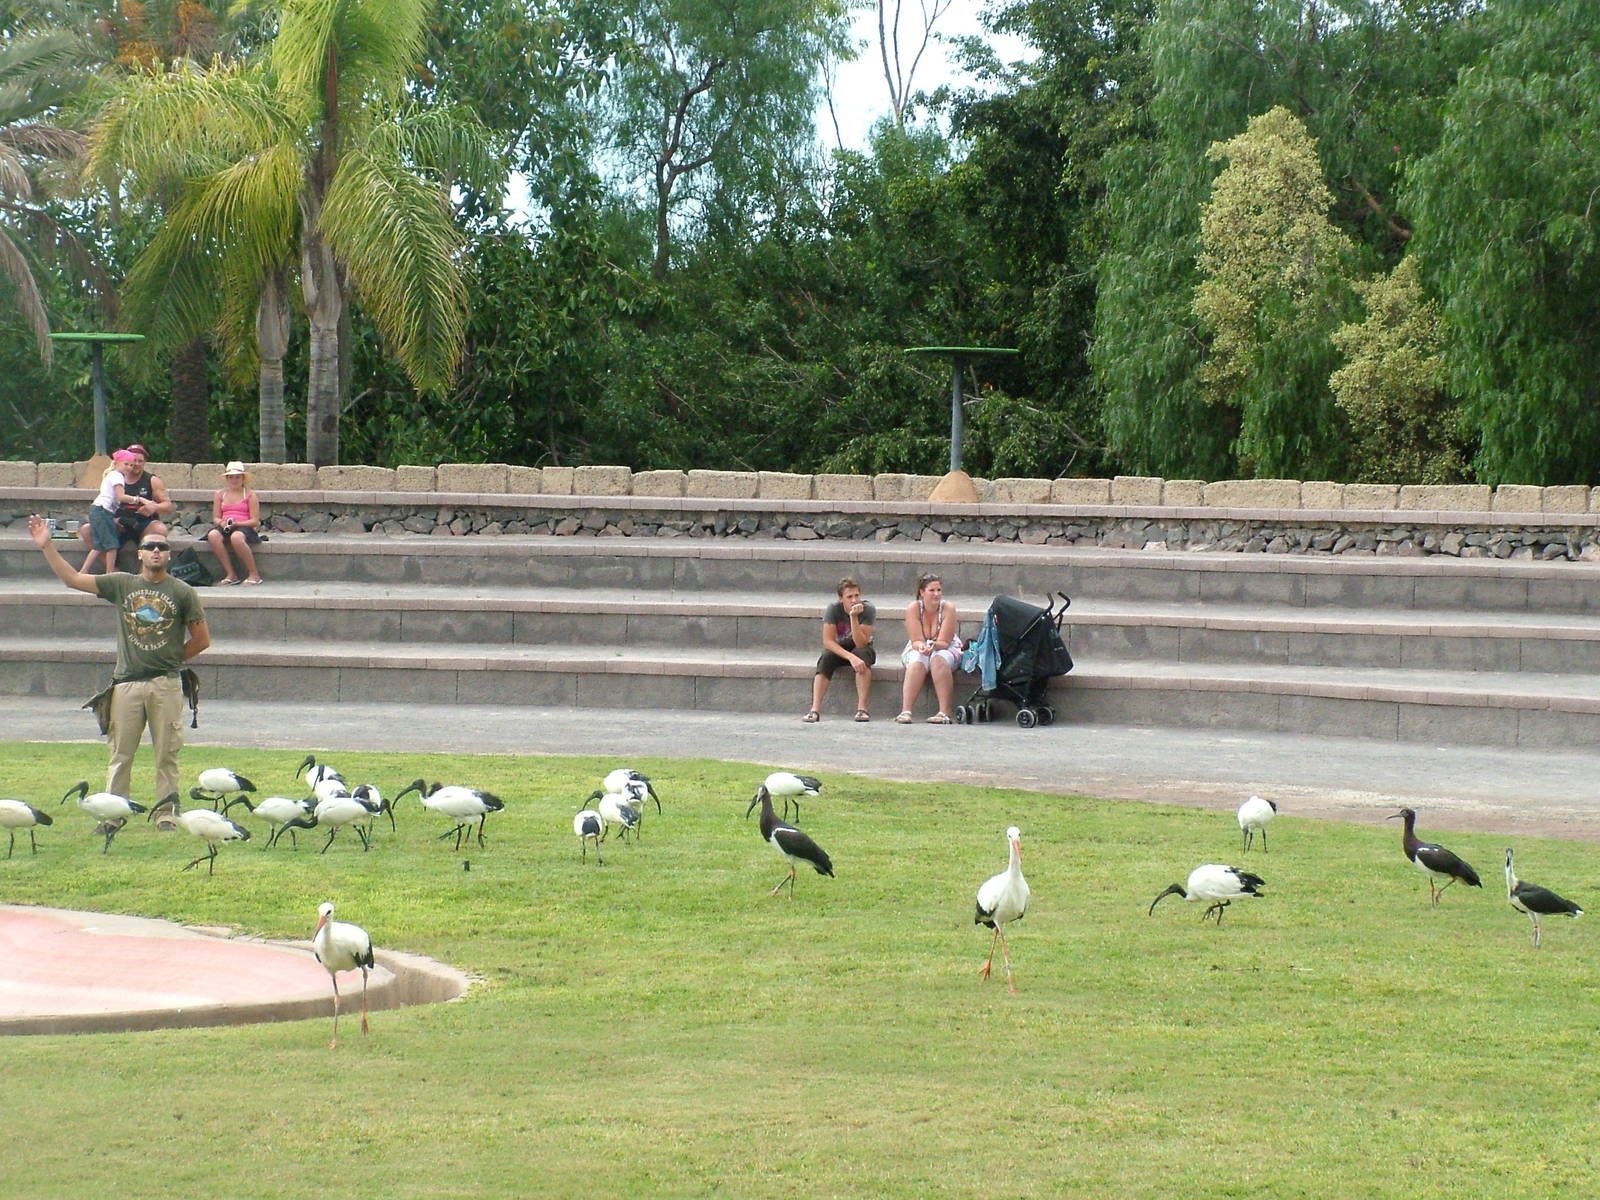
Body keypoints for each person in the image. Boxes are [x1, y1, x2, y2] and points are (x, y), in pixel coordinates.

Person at [30, 513, 210, 803]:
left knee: (167, 756)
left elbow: (202, 639)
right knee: (120, 755)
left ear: (169, 555)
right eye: (150, 546)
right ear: (139, 554)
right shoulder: (121, 584)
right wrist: (46, 546)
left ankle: (166, 813)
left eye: (161, 548)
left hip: (166, 684)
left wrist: (171, 660)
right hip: (126, 684)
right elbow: (72, 579)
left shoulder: (183, 592)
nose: (155, 551)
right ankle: (113, 813)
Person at [804, 577, 876, 722]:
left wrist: (854, 618)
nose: (854, 600)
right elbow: (828, 641)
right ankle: (815, 709)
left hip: (861, 646)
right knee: (826, 659)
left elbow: (861, 643)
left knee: (861, 656)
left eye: (856, 596)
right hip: (840, 646)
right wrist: (850, 657)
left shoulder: (868, 609)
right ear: (840, 599)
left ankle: (862, 709)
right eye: (849, 597)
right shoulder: (833, 609)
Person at [896, 571, 962, 724]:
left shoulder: (948, 608)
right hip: (920, 645)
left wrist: (933, 646)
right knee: (918, 658)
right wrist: (922, 647)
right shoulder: (913, 608)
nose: (936, 594)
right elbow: (916, 640)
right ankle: (906, 711)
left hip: (946, 646)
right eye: (932, 590)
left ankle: (944, 712)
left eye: (939, 590)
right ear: (922, 592)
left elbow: (944, 642)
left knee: (938, 659)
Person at [206, 460, 264, 585]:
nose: (234, 480)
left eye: (237, 477)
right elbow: (215, 517)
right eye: (231, 477)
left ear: (242, 478)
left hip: (244, 526)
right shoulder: (219, 494)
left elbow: (255, 521)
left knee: (236, 537)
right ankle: (230, 573)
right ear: (227, 479)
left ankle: (254, 573)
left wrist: (237, 524)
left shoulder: (250, 495)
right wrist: (222, 523)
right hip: (226, 524)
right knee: (213, 535)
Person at [79, 449, 136, 574]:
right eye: (126, 464)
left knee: (98, 545)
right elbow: (121, 497)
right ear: (116, 463)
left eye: (131, 465)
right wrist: (138, 499)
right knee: (112, 545)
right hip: (103, 511)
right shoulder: (117, 476)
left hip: (97, 509)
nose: (129, 468)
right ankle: (110, 573)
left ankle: (83, 571)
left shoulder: (112, 475)